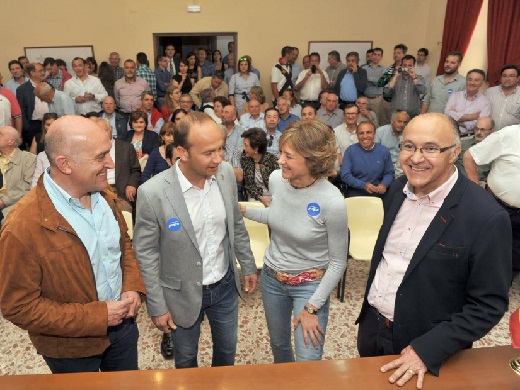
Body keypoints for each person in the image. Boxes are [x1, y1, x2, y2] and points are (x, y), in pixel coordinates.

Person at [356, 113, 511, 389]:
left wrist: (427, 351)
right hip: (372, 330)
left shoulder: (486, 217)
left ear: (454, 153)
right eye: (408, 146)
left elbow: (488, 305)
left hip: (426, 348)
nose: (416, 158)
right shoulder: (396, 190)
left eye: (430, 148)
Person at [0, 116, 146, 373]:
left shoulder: (105, 197)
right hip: (70, 350)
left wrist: (132, 287)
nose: (110, 164)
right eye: (100, 157)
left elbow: (123, 245)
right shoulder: (21, 227)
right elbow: (19, 306)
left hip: (123, 332)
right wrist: (98, 317)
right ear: (65, 164)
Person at [133, 112, 257, 368]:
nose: (219, 158)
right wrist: (156, 305)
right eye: (209, 152)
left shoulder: (224, 174)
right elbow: (145, 254)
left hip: (224, 286)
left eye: (221, 149)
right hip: (181, 293)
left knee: (226, 352)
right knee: (186, 358)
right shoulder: (153, 193)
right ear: (183, 152)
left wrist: (247, 263)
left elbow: (235, 222)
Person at [240, 119, 348, 363]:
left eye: (288, 156)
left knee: (308, 360)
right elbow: (277, 216)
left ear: (311, 160)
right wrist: (244, 210)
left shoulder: (332, 202)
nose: (279, 161)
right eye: (280, 153)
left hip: (310, 287)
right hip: (272, 280)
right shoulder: (277, 179)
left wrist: (312, 307)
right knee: (279, 347)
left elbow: (338, 262)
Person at [464, 122, 520, 278]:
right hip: (498, 206)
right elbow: (470, 156)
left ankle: (498, 292)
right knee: (484, 249)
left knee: (514, 258)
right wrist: (475, 192)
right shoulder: (508, 135)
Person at [94, 118, 140, 214]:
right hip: (97, 193)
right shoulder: (91, 150)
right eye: (98, 131)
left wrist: (131, 185)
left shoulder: (126, 148)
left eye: (104, 130)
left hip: (121, 192)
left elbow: (136, 170)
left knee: (124, 213)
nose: (102, 134)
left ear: (111, 129)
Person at [341, 121, 394, 197]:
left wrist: (383, 184)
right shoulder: (350, 151)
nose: (365, 136)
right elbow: (345, 175)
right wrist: (364, 185)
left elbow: (389, 173)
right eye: (361, 133)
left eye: (368, 132)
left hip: (378, 192)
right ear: (357, 135)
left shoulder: (384, 151)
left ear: (374, 134)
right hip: (356, 191)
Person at [0, 126, 36, 221]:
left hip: (15, 202)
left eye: (0, 134)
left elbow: (27, 186)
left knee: (8, 222)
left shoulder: (29, 159)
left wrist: (3, 201)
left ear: (11, 141)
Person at [236, 128, 279, 205]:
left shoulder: (272, 160)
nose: (243, 148)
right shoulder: (245, 159)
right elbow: (249, 185)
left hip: (273, 197)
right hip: (254, 197)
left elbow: (278, 184)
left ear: (256, 148)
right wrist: (261, 198)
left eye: (246, 145)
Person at [444, 69, 490, 136]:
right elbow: (447, 114)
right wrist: (471, 117)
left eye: (476, 80)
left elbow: (480, 124)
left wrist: (456, 117)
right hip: (449, 134)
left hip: (469, 137)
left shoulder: (485, 102)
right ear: (466, 81)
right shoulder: (455, 96)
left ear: (482, 83)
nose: (472, 83)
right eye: (470, 79)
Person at [484, 64, 520, 130]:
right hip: (490, 134)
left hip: (512, 136)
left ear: (518, 78)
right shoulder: (489, 92)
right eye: (504, 76)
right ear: (501, 78)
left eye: (511, 76)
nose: (507, 79)